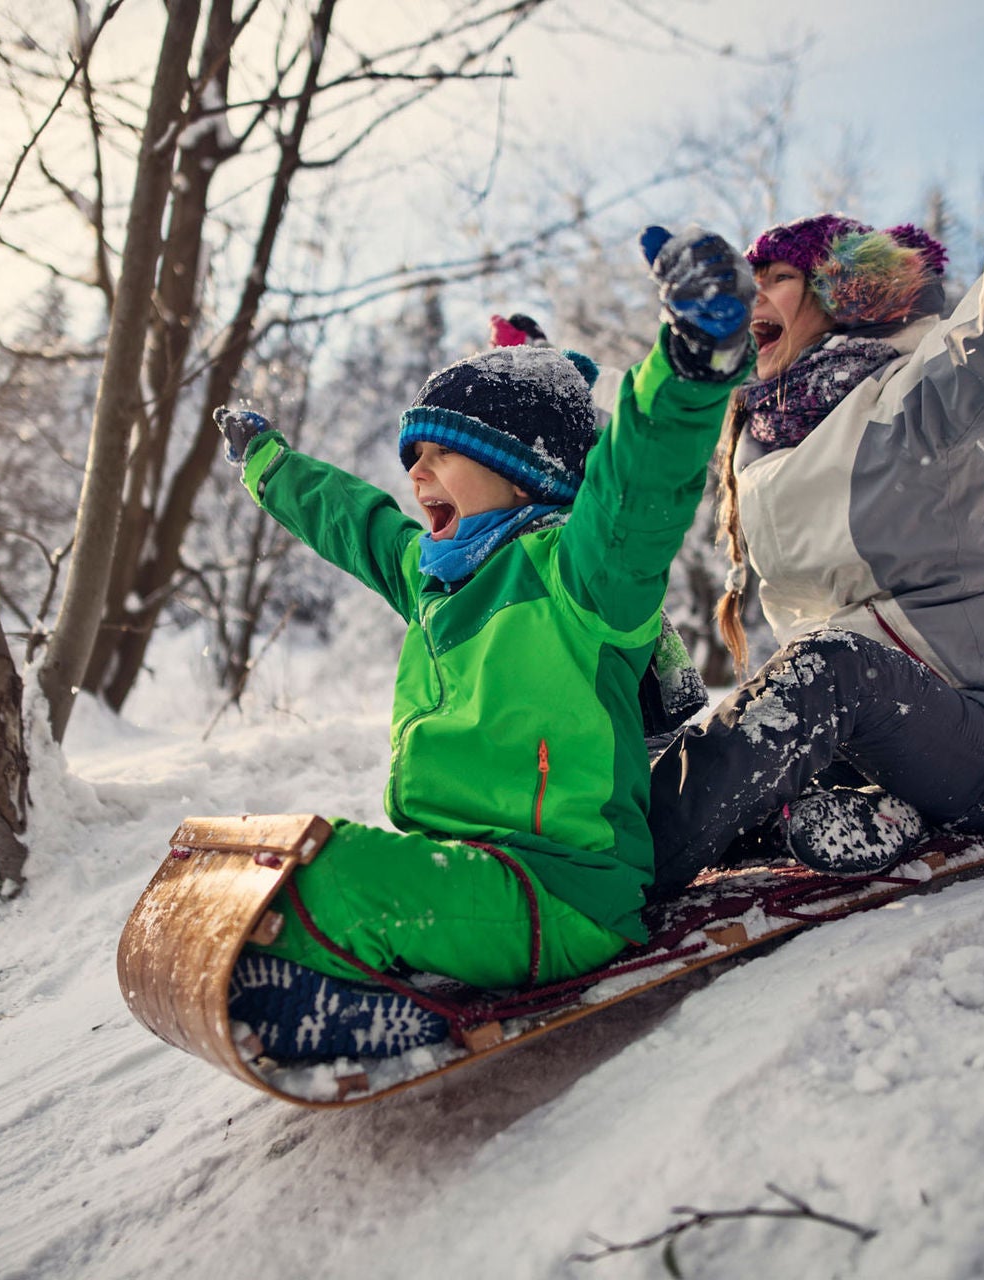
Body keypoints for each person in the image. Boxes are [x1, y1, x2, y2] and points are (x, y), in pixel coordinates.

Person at [648, 0, 984, 899]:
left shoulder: (909, 399)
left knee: (830, 667)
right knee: (649, 666)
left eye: (774, 275)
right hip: (860, 746)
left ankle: (628, 865)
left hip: (983, 749)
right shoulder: (756, 438)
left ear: (831, 290)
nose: (754, 294)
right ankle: (804, 817)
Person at [212, 225, 756, 1061]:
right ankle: (326, 971)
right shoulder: (433, 580)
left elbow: (638, 480)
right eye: (413, 455)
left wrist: (687, 368)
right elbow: (353, 520)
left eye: (441, 453)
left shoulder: (581, 577)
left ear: (521, 469)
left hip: (561, 891)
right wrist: (269, 464)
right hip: (470, 872)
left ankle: (367, 1011)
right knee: (271, 867)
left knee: (327, 879)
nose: (416, 473)